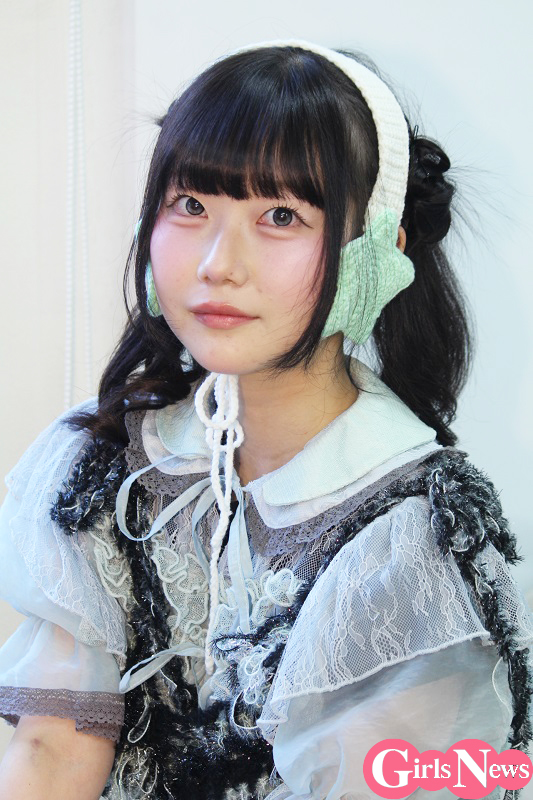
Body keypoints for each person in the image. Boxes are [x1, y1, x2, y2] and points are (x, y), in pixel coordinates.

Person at [0, 39, 531, 800]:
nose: (218, 263)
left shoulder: (409, 537)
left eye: (280, 215)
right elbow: (52, 752)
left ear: (375, 250)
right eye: (191, 206)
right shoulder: (103, 464)